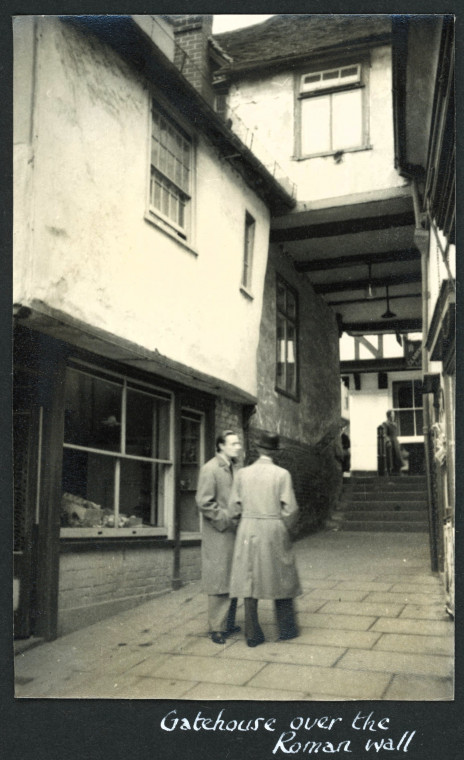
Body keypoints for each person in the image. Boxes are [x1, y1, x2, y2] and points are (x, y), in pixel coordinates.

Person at [228, 431, 302, 647]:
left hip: (248, 527)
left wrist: (239, 525)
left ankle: (252, 634)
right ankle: (287, 629)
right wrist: (284, 528)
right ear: (274, 452)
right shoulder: (282, 474)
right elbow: (291, 508)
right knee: (282, 575)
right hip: (273, 526)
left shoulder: (242, 474)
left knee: (249, 579)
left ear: (258, 449)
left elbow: (233, 507)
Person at [196, 430, 242, 645]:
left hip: (233, 532)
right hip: (219, 532)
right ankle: (216, 628)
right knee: (219, 580)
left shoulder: (233, 467)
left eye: (238, 443)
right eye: (233, 443)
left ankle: (227, 624)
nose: (238, 446)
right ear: (221, 446)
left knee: (231, 578)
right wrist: (225, 519)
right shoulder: (210, 468)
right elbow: (204, 502)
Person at [382, 410, 405, 475]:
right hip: (390, 442)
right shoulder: (385, 424)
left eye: (393, 415)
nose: (393, 416)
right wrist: (388, 441)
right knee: (391, 457)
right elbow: (385, 434)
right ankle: (391, 471)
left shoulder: (395, 424)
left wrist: (398, 441)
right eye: (392, 415)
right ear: (388, 416)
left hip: (395, 441)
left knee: (398, 456)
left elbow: (395, 434)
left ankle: (398, 470)